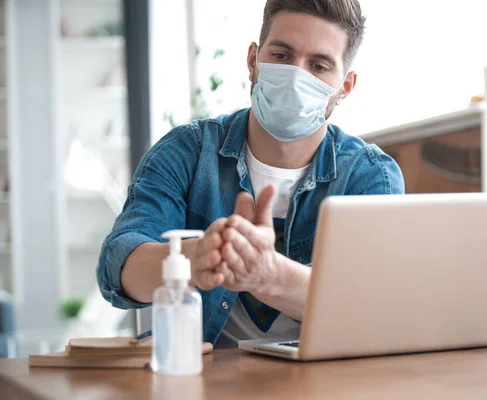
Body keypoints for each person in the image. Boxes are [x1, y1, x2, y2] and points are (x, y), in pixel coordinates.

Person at [96, 0, 404, 347]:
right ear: (253, 61)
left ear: (344, 86)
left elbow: (372, 308)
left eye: (318, 66)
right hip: (202, 382)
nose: (295, 77)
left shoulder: (369, 177)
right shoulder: (187, 152)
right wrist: (196, 259)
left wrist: (268, 275)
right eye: (282, 56)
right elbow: (117, 269)